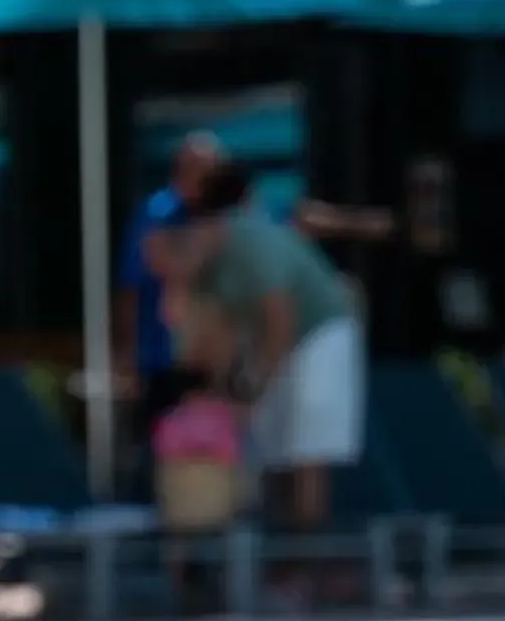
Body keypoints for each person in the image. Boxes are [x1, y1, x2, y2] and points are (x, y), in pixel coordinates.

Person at [154, 171, 366, 533]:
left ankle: (307, 550)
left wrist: (254, 391)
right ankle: (275, 548)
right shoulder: (205, 271)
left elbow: (281, 321)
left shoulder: (250, 243)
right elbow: (214, 341)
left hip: (320, 332)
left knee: (306, 447)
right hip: (272, 341)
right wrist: (215, 400)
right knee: (268, 447)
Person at [118, 132, 223, 461]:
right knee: (159, 446)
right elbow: (131, 288)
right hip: (160, 354)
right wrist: (127, 357)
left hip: (209, 355)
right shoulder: (157, 214)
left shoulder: (219, 216)